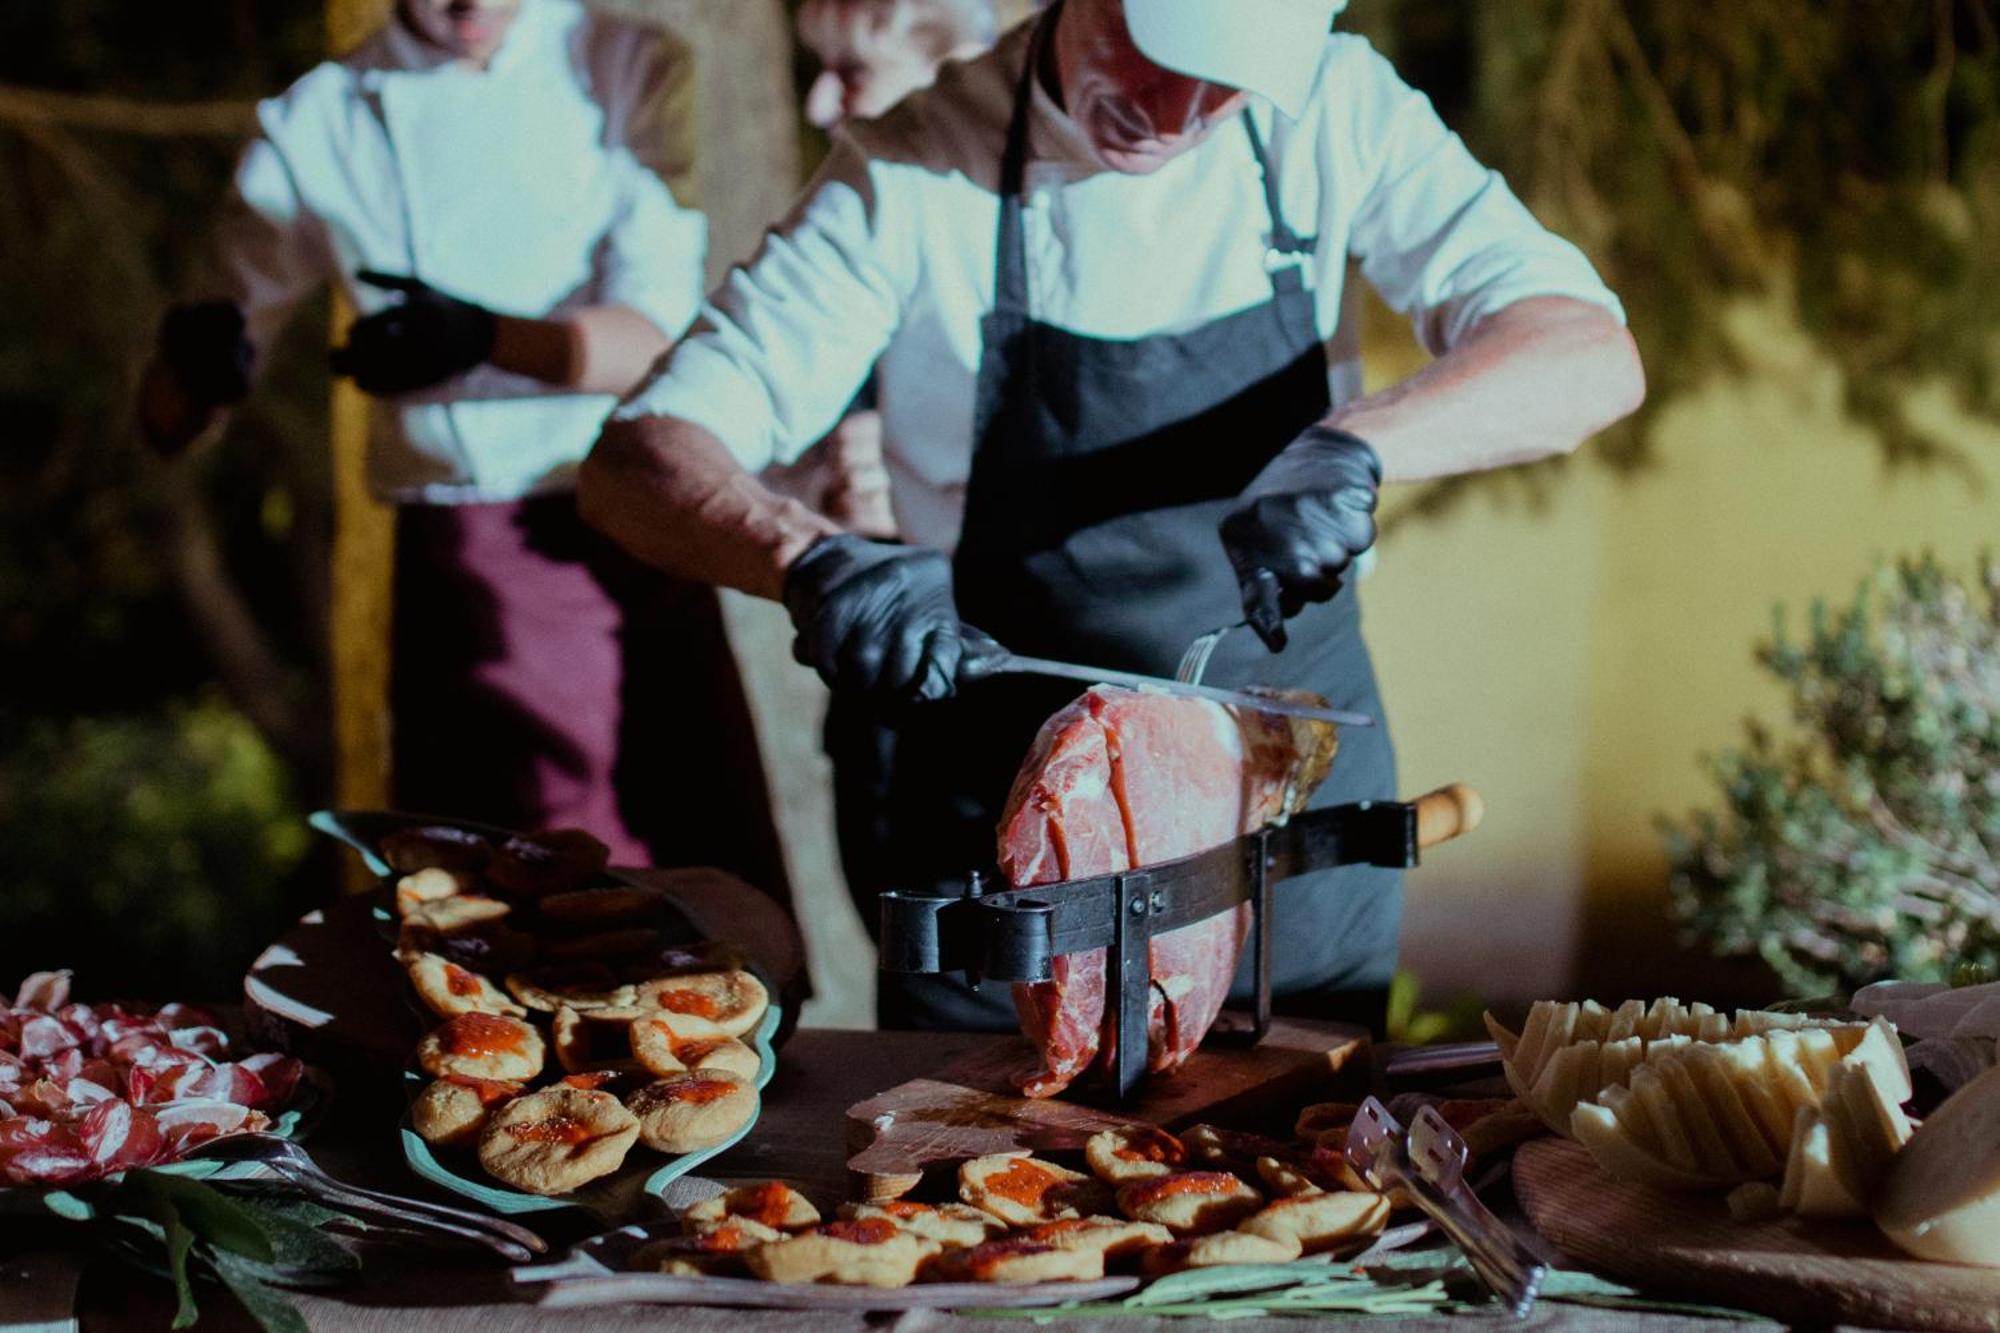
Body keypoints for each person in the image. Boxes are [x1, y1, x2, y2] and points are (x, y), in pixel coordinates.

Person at [580, 0, 1645, 1030]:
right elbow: (637, 458)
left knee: (1305, 1178)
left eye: (1222, 87)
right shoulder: (911, 169)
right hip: (1014, 833)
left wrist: (1360, 446)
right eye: (1148, 49)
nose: (1170, 113)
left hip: (1282, 819)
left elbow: (1585, 353)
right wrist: (806, 558)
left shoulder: (1330, 106)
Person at [137, 0, 792, 902]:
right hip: (454, 560)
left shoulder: (623, 61)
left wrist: (481, 339)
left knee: (685, 900)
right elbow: (172, 416)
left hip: (627, 535)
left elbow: (656, 340)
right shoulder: (315, 122)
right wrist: (194, 365)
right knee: (485, 916)